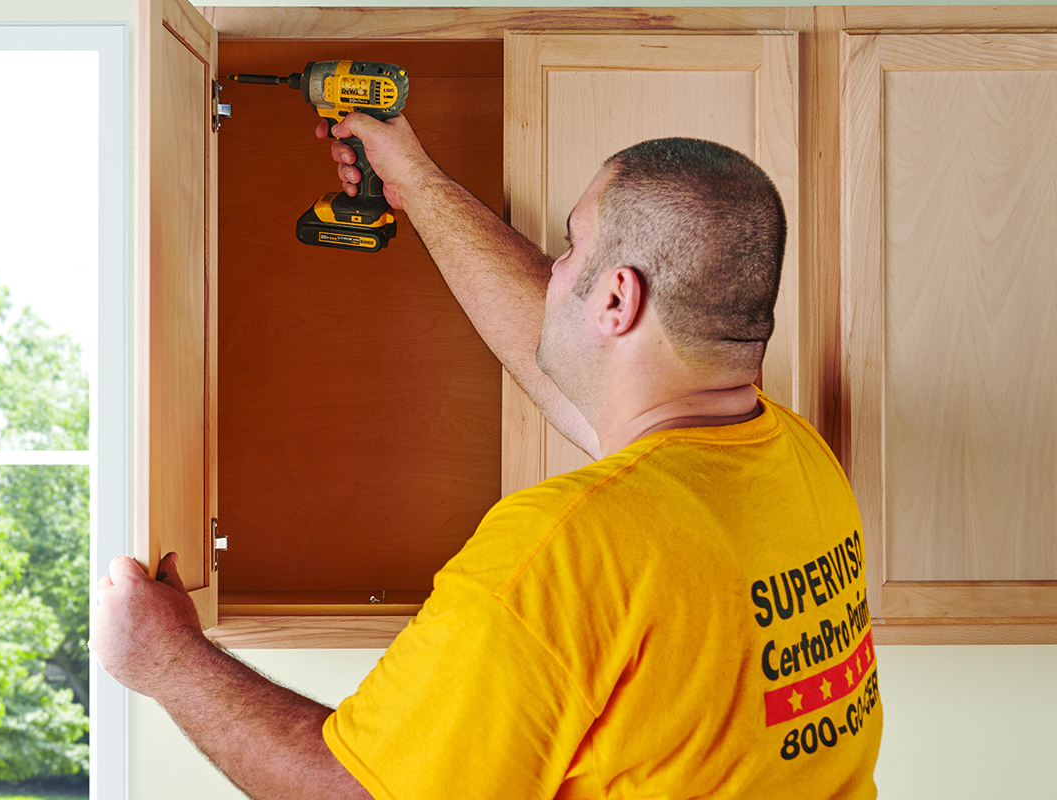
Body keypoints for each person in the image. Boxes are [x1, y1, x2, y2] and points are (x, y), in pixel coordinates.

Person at [91, 112, 882, 799]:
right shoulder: (791, 458)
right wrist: (415, 184)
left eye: (570, 247)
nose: (552, 269)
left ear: (616, 299)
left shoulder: (567, 548)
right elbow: (570, 374)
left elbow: (360, 794)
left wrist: (168, 661)